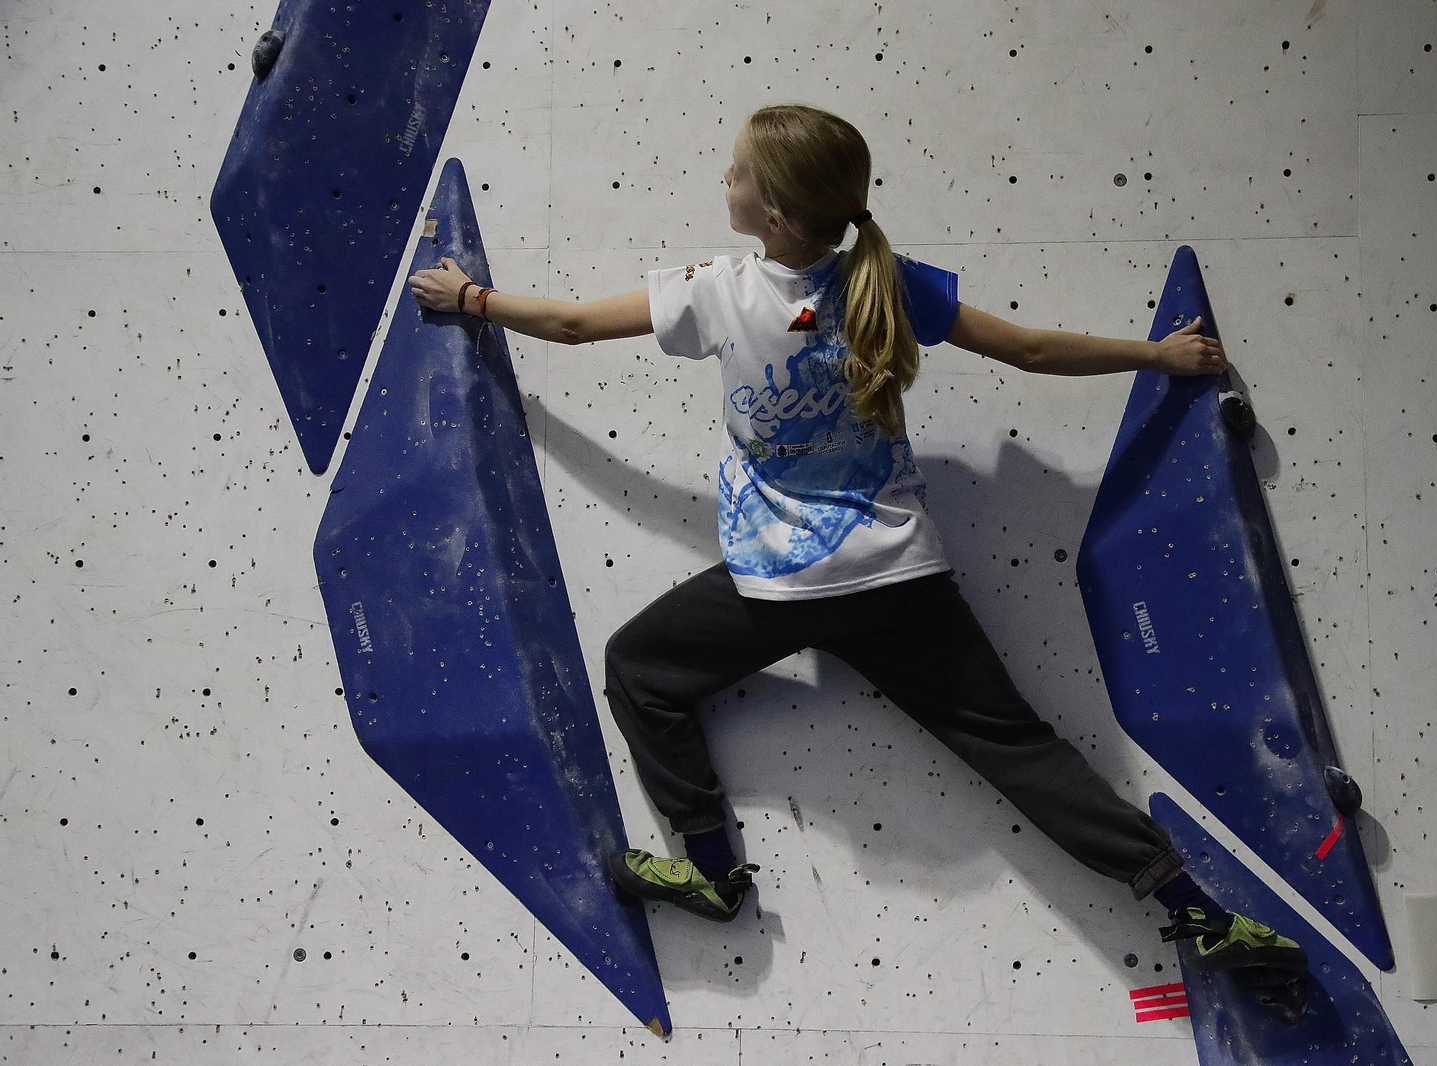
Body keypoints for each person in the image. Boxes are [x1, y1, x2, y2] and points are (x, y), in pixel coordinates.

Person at [407, 103, 1307, 977]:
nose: (725, 175)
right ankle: (1196, 911)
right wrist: (1160, 356)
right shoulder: (887, 282)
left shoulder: (717, 290)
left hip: (776, 587)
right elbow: (1030, 350)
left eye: (739, 169)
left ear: (777, 212)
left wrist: (472, 298)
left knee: (639, 671)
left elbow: (569, 325)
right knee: (1020, 751)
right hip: (898, 578)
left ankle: (717, 875)